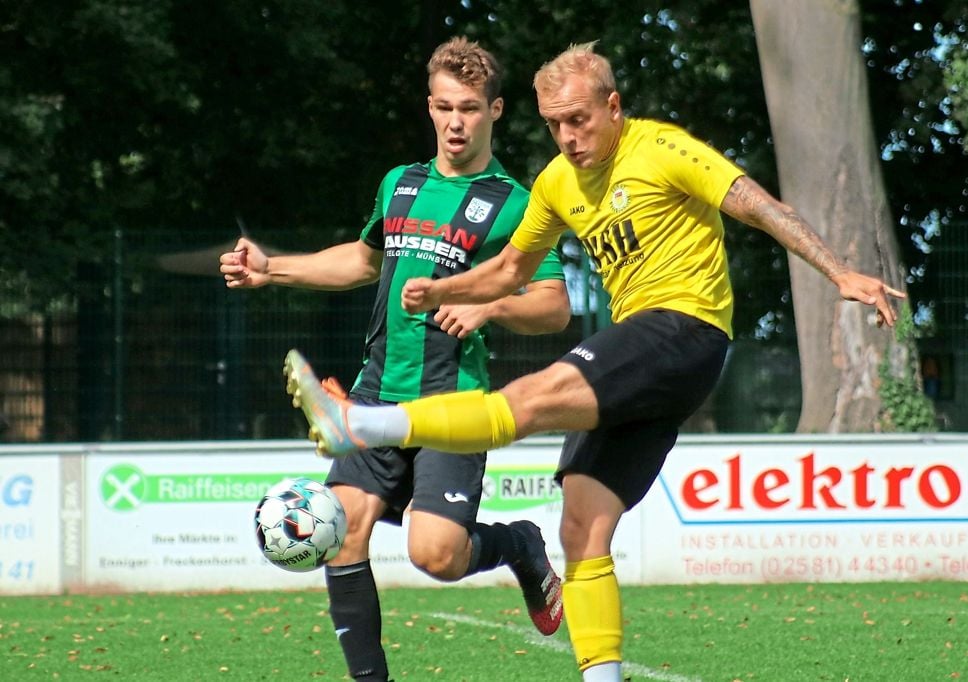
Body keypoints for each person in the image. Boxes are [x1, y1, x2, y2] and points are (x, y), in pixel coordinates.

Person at [283, 42, 907, 681]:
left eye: (579, 119)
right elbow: (508, 270)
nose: (567, 135)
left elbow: (759, 205)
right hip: (649, 367)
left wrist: (840, 273)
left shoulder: (660, 149)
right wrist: (447, 291)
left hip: (682, 326)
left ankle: (362, 424)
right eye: (553, 123)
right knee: (581, 524)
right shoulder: (555, 182)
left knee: (536, 395)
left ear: (613, 106)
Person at [222, 37, 570, 682]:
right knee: (341, 530)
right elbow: (361, 261)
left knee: (435, 555)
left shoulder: (515, 202)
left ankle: (519, 544)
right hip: (374, 392)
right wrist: (274, 269)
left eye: (469, 107)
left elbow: (553, 305)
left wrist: (490, 308)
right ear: (430, 108)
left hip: (452, 402)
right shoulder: (400, 184)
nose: (455, 122)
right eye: (443, 107)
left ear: (495, 110)